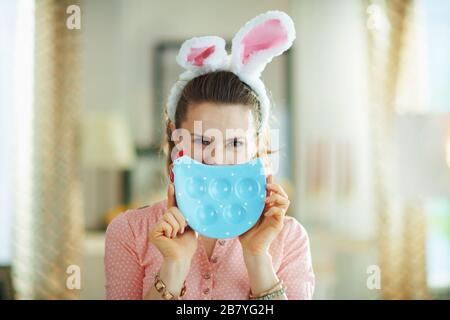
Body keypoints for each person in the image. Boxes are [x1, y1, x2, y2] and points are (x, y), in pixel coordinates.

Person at [105, 11, 314, 300]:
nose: (217, 158)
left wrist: (256, 257)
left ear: (258, 144)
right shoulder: (129, 232)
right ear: (175, 136)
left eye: (236, 143)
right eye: (203, 140)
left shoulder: (289, 238)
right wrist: (174, 267)